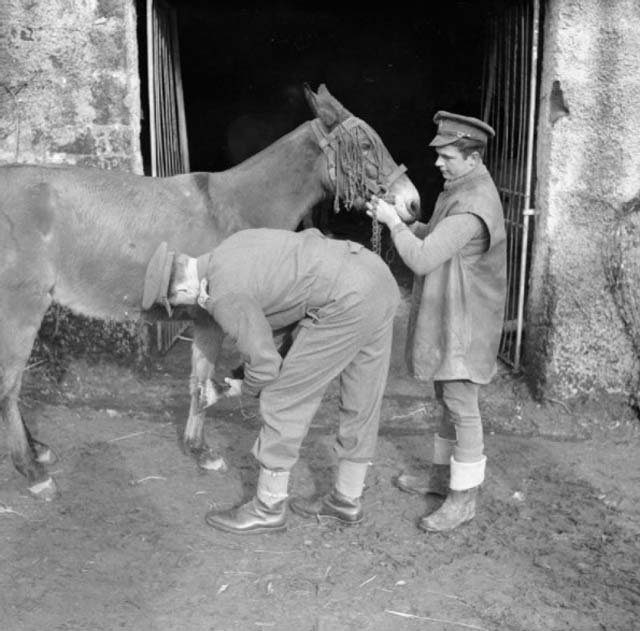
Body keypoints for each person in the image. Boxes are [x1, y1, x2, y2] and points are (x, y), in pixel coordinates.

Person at [143, 227, 400, 534]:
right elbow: (284, 317)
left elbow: (266, 369)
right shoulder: (231, 247)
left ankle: (267, 507)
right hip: (375, 276)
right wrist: (234, 380)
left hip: (345, 300)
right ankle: (346, 498)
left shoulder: (222, 295)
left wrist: (242, 389)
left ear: (183, 291)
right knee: (362, 394)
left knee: (283, 398)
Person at [366, 111, 507, 533]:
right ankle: (443, 477)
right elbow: (434, 234)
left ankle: (463, 499)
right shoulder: (460, 188)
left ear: (472, 156)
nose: (437, 163)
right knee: (448, 398)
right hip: (454, 310)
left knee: (462, 405)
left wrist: (393, 225)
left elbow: (422, 258)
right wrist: (409, 221)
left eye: (446, 156)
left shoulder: (474, 203)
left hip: (467, 320)